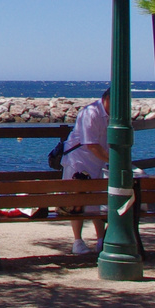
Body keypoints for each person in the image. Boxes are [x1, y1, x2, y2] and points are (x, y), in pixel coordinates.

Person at [62, 90, 110, 255]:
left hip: (98, 162)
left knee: (96, 199)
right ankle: (78, 241)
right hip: (79, 160)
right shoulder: (90, 113)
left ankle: (101, 239)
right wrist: (114, 161)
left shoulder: (113, 115)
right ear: (107, 99)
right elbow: (91, 144)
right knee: (77, 201)